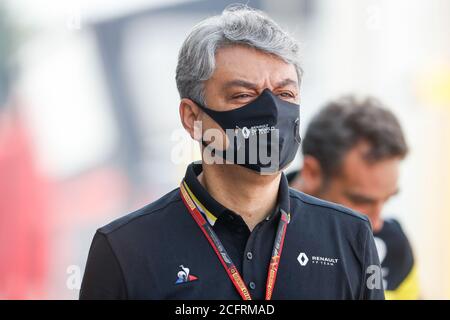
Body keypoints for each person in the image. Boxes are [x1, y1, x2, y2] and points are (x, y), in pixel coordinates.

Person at [80, 5, 384, 300]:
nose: (270, 111)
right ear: (192, 118)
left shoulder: (349, 235)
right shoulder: (124, 248)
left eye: (285, 94)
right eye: (243, 95)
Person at [288, 95, 420, 299]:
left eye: (386, 200)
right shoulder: (251, 230)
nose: (376, 224)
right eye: (362, 201)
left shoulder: (393, 244)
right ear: (312, 173)